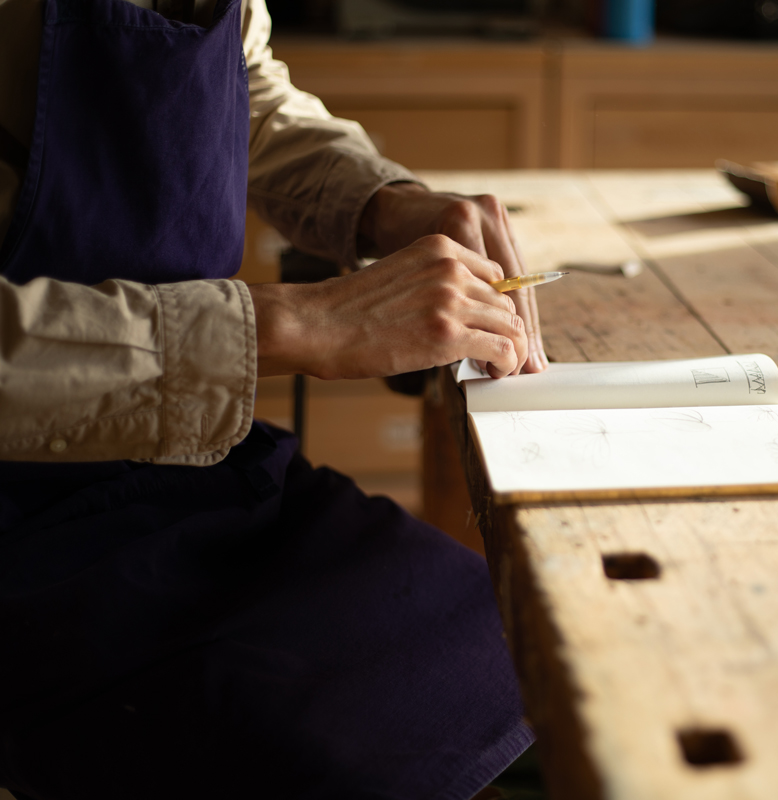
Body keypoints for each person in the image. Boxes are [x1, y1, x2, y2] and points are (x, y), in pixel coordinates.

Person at [0, 0, 546, 795]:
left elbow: (244, 86)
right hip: (26, 527)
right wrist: (294, 325)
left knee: (532, 653)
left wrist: (377, 199)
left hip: (184, 471)